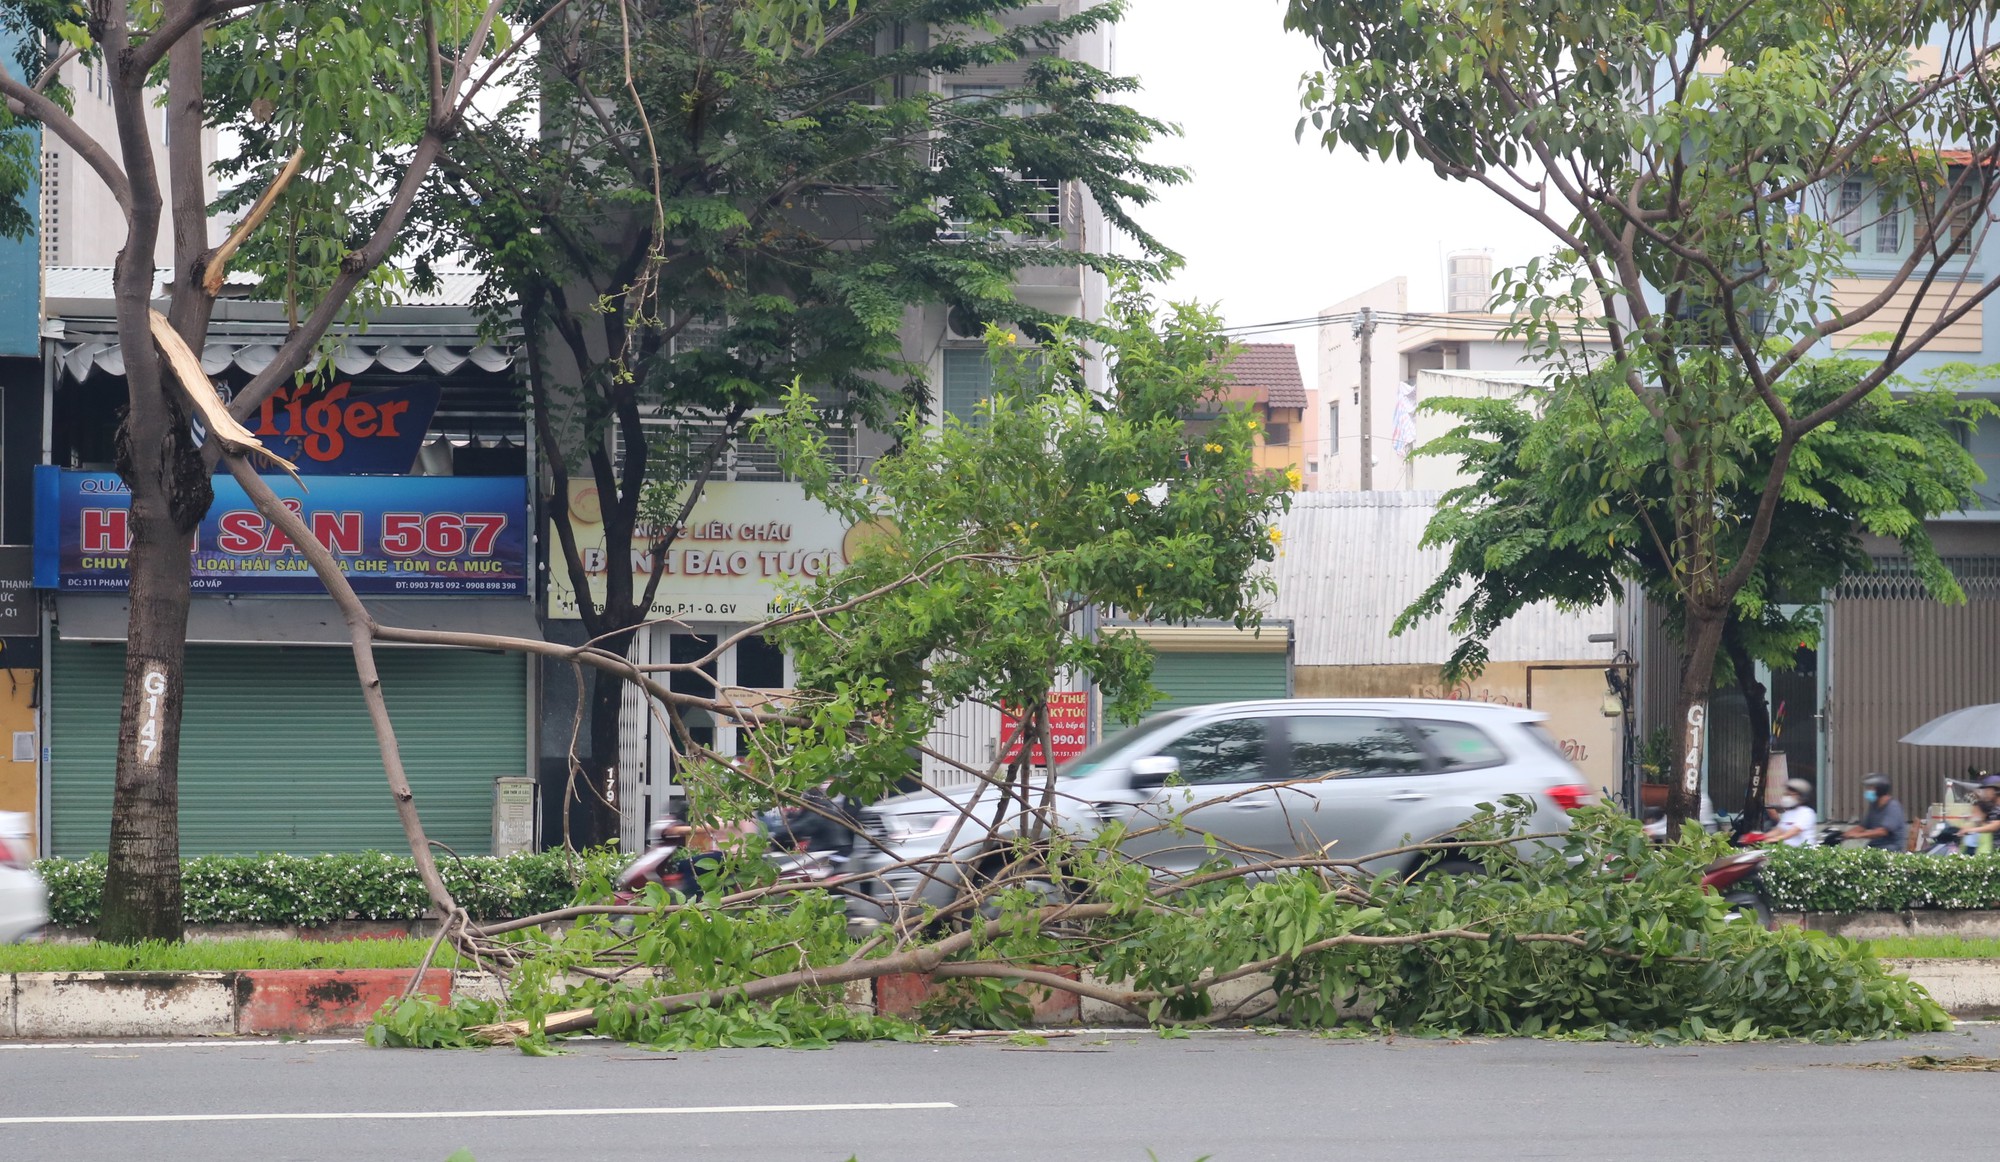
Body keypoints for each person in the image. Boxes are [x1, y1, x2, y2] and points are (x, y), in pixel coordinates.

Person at [1843, 773, 1909, 851]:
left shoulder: (1893, 807)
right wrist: (1843, 835)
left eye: (1870, 788)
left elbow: (1882, 831)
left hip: (1890, 848)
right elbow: (1863, 826)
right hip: (1875, 846)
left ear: (1880, 789)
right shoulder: (1874, 806)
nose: (1867, 791)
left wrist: (1858, 835)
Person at [1763, 778, 1819, 847]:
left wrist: (1774, 839)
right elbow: (1779, 830)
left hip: (1803, 853)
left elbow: (1794, 831)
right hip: (1787, 851)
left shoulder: (1807, 813)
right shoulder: (1788, 813)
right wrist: (1761, 837)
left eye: (1791, 794)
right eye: (1786, 794)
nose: (1787, 797)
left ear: (1801, 797)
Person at [1959, 774, 2000, 854]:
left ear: (1996, 790)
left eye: (1987, 790)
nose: (1985, 793)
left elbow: (1994, 826)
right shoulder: (1994, 808)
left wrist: (1971, 830)